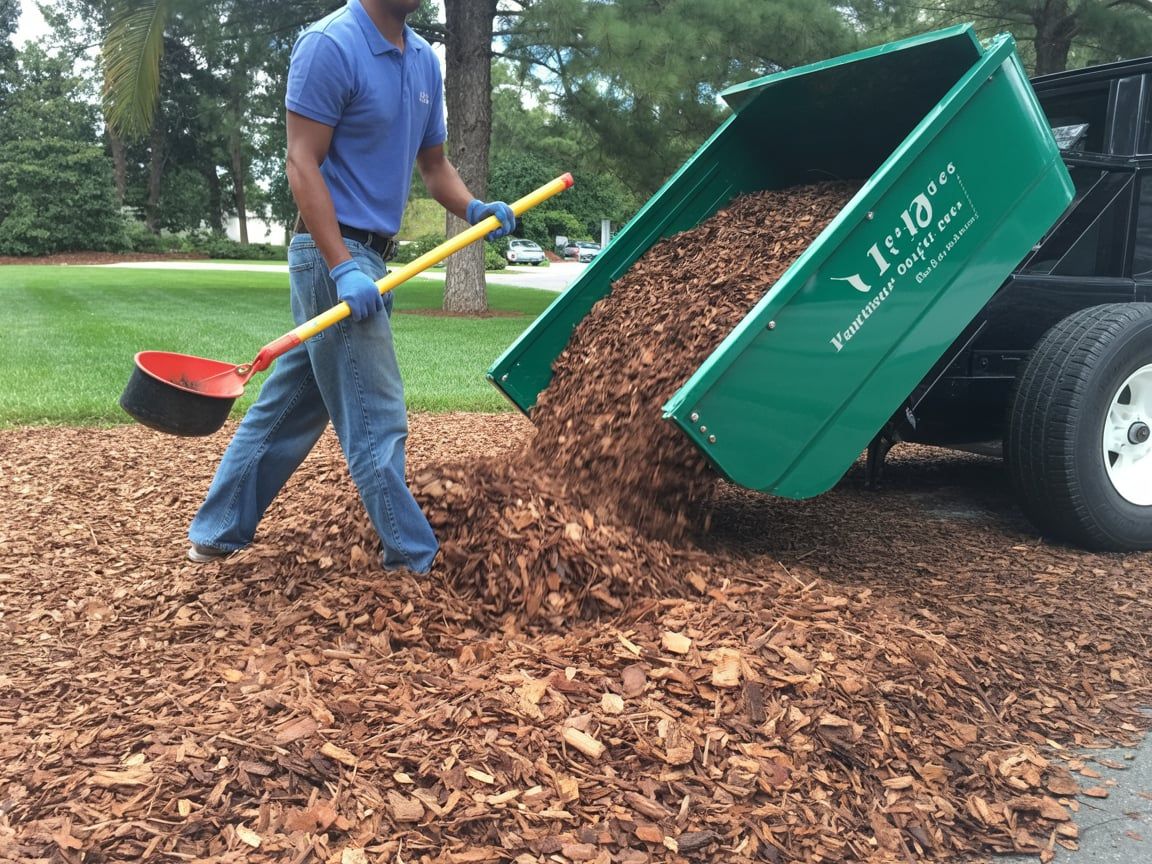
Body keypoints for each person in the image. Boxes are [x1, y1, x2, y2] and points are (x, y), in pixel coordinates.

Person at [186, 0, 514, 573]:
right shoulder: (329, 45)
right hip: (330, 253)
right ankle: (413, 557)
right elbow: (301, 162)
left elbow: (434, 166)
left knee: (292, 403)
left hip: (376, 261)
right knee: (375, 414)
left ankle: (217, 529)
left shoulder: (421, 61)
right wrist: (341, 266)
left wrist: (474, 207)